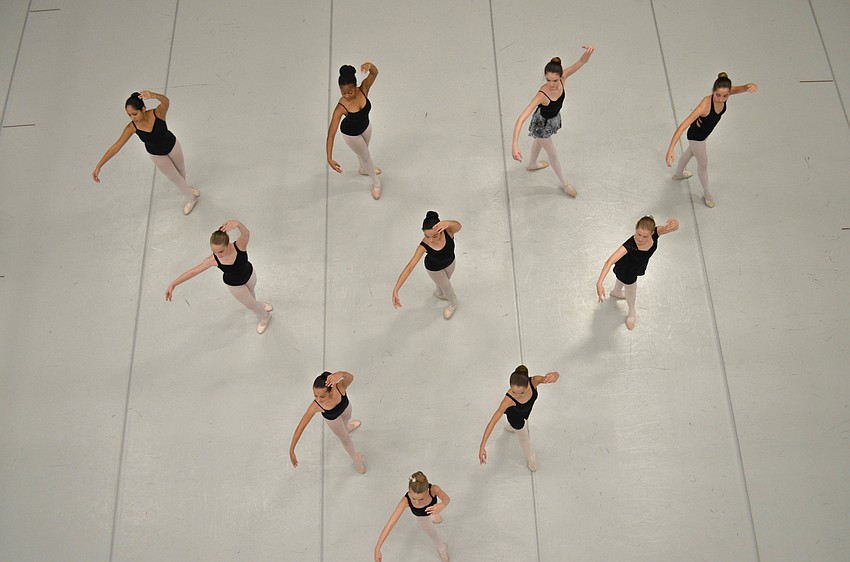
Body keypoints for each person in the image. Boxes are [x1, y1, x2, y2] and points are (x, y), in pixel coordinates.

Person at [93, 91, 200, 214]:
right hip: (157, 155)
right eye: (129, 115)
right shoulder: (132, 127)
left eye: (135, 114)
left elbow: (166, 101)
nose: (133, 118)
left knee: (181, 171)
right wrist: (99, 166)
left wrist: (154, 95)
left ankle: (187, 189)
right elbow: (116, 146)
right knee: (175, 178)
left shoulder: (158, 113)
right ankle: (191, 198)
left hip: (172, 145)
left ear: (143, 109)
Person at [511, 46, 595, 197]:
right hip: (541, 124)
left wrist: (588, 53)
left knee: (539, 142)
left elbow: (581, 61)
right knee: (553, 154)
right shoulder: (542, 95)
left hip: (552, 119)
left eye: (555, 80)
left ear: (561, 76)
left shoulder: (564, 78)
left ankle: (532, 164)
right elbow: (521, 119)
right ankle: (565, 184)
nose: (551, 84)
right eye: (548, 80)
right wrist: (514, 144)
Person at [666, 73, 758, 207]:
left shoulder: (726, 91)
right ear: (713, 92)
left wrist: (751, 86)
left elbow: (743, 88)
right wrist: (671, 149)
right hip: (697, 137)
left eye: (725, 96)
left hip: (703, 134)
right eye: (718, 95)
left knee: (690, 153)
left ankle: (678, 174)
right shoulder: (704, 105)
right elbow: (682, 126)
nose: (721, 99)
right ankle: (707, 193)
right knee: (703, 166)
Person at [165, 220, 272, 334]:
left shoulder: (240, 245)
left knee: (252, 295)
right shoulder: (213, 260)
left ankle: (259, 306)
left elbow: (246, 233)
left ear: (228, 244)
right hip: (235, 285)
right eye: (214, 251)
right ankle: (265, 317)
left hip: (250, 275)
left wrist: (239, 224)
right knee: (250, 304)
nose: (218, 254)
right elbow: (193, 272)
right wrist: (173, 284)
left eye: (221, 251)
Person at [595, 216, 679, 329]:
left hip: (633, 266)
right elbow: (609, 262)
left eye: (645, 236)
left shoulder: (657, 232)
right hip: (627, 271)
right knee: (631, 292)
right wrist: (599, 283)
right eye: (638, 234)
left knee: (620, 280)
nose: (640, 239)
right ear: (635, 229)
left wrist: (675, 223)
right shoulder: (630, 244)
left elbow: (673, 228)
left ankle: (616, 292)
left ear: (652, 232)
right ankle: (631, 313)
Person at [479, 366, 559, 472]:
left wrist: (555, 374)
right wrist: (482, 446)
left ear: (527, 385)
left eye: (521, 393)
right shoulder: (508, 400)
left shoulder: (534, 381)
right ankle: (531, 459)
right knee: (524, 437)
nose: (516, 395)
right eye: (513, 391)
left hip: (525, 411)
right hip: (516, 418)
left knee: (518, 428)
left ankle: (512, 428)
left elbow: (549, 377)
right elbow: (493, 422)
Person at [289, 371, 366, 474]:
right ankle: (356, 460)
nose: (318, 400)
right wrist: (292, 449)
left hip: (345, 408)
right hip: (333, 419)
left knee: (347, 418)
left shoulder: (340, 388)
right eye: (315, 395)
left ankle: (347, 427)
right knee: (345, 438)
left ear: (331, 390)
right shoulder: (316, 406)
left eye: (322, 396)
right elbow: (301, 426)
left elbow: (350, 378)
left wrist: (341, 374)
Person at [327, 63, 382, 200]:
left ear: (355, 86)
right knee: (366, 156)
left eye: (350, 92)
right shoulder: (341, 106)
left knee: (364, 152)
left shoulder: (363, 88)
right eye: (343, 92)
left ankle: (363, 169)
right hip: (351, 134)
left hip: (366, 127)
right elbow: (331, 133)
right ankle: (376, 182)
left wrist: (370, 65)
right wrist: (329, 157)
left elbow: (374, 73)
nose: (346, 95)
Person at [392, 211, 462, 320]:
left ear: (441, 230)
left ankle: (439, 292)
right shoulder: (424, 245)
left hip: (450, 262)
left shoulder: (449, 231)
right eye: (426, 236)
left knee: (446, 280)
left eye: (434, 236)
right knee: (447, 287)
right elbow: (410, 267)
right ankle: (453, 304)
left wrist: (449, 222)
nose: (431, 240)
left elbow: (458, 226)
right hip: (434, 269)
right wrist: (396, 289)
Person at [374, 471, 450, 562]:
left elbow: (446, 498)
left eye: (421, 499)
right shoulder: (405, 500)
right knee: (432, 532)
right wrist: (377, 548)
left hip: (433, 509)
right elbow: (390, 524)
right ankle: (442, 548)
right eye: (414, 499)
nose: (417, 502)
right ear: (409, 491)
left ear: (427, 491)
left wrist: (442, 505)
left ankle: (433, 515)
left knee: (434, 512)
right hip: (421, 517)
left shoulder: (434, 489)